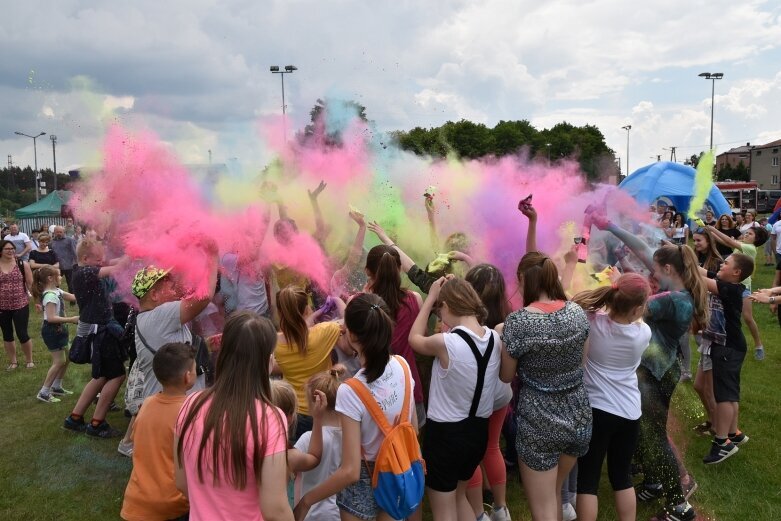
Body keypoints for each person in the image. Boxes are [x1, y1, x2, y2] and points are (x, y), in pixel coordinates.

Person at [593, 215, 708, 521]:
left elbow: (628, 305)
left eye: (655, 268)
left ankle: (679, 505)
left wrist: (609, 282)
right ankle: (655, 482)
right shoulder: (681, 286)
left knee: (654, 436)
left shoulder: (671, 300)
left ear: (668, 270)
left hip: (656, 375)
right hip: (661, 369)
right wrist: (610, 225)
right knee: (644, 433)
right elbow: (644, 248)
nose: (650, 269)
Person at [293, 293, 421, 521]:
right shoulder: (403, 366)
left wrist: (306, 501)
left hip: (364, 480)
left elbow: (350, 472)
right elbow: (413, 429)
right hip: (396, 470)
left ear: (351, 335)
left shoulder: (350, 391)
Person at [499, 251, 591, 521]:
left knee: (543, 510)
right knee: (553, 494)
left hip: (539, 422)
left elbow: (506, 376)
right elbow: (582, 362)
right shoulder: (576, 312)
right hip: (578, 418)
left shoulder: (518, 322)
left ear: (521, 278)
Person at [175, 312, 293, 521]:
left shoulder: (190, 404)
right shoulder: (270, 419)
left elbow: (182, 483)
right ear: (266, 360)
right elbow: (275, 510)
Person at [409, 277, 502, 521]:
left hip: (445, 437)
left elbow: (414, 339)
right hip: (477, 434)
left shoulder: (446, 343)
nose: (441, 318)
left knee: (444, 510)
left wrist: (429, 298)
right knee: (460, 498)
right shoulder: (495, 339)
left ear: (448, 305)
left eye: (440, 311)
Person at [571, 274, 652, 521]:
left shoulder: (591, 323)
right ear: (638, 309)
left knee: (588, 480)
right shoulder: (644, 333)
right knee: (622, 476)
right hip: (629, 412)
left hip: (597, 410)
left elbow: (575, 304)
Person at [121, 260, 217, 456]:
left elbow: (177, 350)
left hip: (171, 410)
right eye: (168, 285)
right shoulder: (160, 315)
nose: (175, 287)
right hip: (173, 414)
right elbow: (205, 295)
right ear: (154, 295)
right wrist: (213, 256)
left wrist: (206, 345)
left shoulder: (156, 318)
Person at [121, 343, 196, 521]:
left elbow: (135, 439)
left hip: (137, 501)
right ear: (187, 376)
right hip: (173, 504)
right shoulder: (190, 411)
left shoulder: (147, 404)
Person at [62, 239, 127, 438]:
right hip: (102, 332)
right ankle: (97, 423)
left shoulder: (82, 270)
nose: (102, 261)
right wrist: (132, 254)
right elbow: (115, 268)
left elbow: (111, 263)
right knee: (117, 375)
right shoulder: (86, 273)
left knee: (100, 376)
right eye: (98, 259)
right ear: (85, 258)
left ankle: (75, 418)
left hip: (99, 329)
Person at [464, 264, 513, 521]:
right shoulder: (508, 319)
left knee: (469, 452)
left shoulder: (466, 326)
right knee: (492, 447)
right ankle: (501, 508)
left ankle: (477, 514)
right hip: (501, 394)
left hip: (475, 398)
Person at [698, 253, 754, 464]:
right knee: (729, 394)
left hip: (728, 349)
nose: (722, 264)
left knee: (724, 396)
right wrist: (681, 254)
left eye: (727, 263)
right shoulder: (725, 281)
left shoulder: (731, 289)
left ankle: (722, 443)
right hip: (730, 347)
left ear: (736, 272)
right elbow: (703, 271)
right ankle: (733, 434)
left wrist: (681, 265)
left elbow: (698, 278)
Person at [364, 244, 426, 427]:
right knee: (411, 444)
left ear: (368, 271)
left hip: (373, 388)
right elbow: (421, 336)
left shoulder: (363, 305)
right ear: (399, 269)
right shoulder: (414, 299)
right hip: (409, 385)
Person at [273, 286, 346, 441]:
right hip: (323, 407)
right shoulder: (324, 332)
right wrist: (337, 300)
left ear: (280, 313)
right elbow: (349, 322)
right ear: (307, 309)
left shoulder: (275, 344)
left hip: (293, 413)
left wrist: (313, 316)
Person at [706, 224, 769, 360]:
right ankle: (724, 340)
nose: (746, 235)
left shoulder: (750, 248)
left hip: (743, 289)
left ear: (756, 240)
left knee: (747, 317)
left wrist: (712, 229)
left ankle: (758, 345)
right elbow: (724, 241)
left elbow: (729, 241)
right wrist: (710, 232)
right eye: (746, 233)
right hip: (730, 285)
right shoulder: (741, 245)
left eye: (750, 234)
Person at [294, 369, 346, 520]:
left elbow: (296, 476)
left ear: (315, 403)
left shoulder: (307, 439)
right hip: (341, 513)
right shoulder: (351, 438)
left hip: (312, 513)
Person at [270, 379, 326, 509]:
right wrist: (318, 419)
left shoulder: (244, 449)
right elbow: (314, 457)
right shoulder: (288, 457)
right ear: (289, 417)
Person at [691, 228, 724, 435]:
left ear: (709, 241)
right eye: (694, 240)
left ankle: (722, 431)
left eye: (699, 240)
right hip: (705, 327)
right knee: (698, 386)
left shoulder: (717, 264)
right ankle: (714, 421)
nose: (696, 244)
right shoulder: (701, 259)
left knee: (710, 389)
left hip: (714, 332)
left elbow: (707, 282)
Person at [32, 266, 78, 403]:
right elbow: (51, 318)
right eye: (58, 275)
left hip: (60, 329)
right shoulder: (50, 296)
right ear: (50, 278)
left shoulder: (57, 291)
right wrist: (72, 319)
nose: (61, 277)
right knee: (59, 361)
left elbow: (73, 297)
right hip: (52, 331)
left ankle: (57, 386)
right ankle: (44, 392)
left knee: (68, 357)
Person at [1, 239, 34, 370]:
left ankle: (29, 360)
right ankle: (13, 361)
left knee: (22, 333)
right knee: (7, 334)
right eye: (7, 249)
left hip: (20, 304)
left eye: (12, 248)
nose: (10, 251)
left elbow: (30, 284)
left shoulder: (22, 264)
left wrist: (37, 302)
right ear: (1, 251)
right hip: (2, 307)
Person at [50, 226, 78, 292]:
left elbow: (75, 252)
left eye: (60, 232)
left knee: (71, 284)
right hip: (57, 267)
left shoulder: (70, 240)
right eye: (57, 232)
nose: (59, 233)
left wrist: (77, 264)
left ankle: (72, 300)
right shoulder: (52, 242)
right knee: (55, 283)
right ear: (54, 232)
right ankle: (56, 297)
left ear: (64, 232)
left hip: (69, 266)